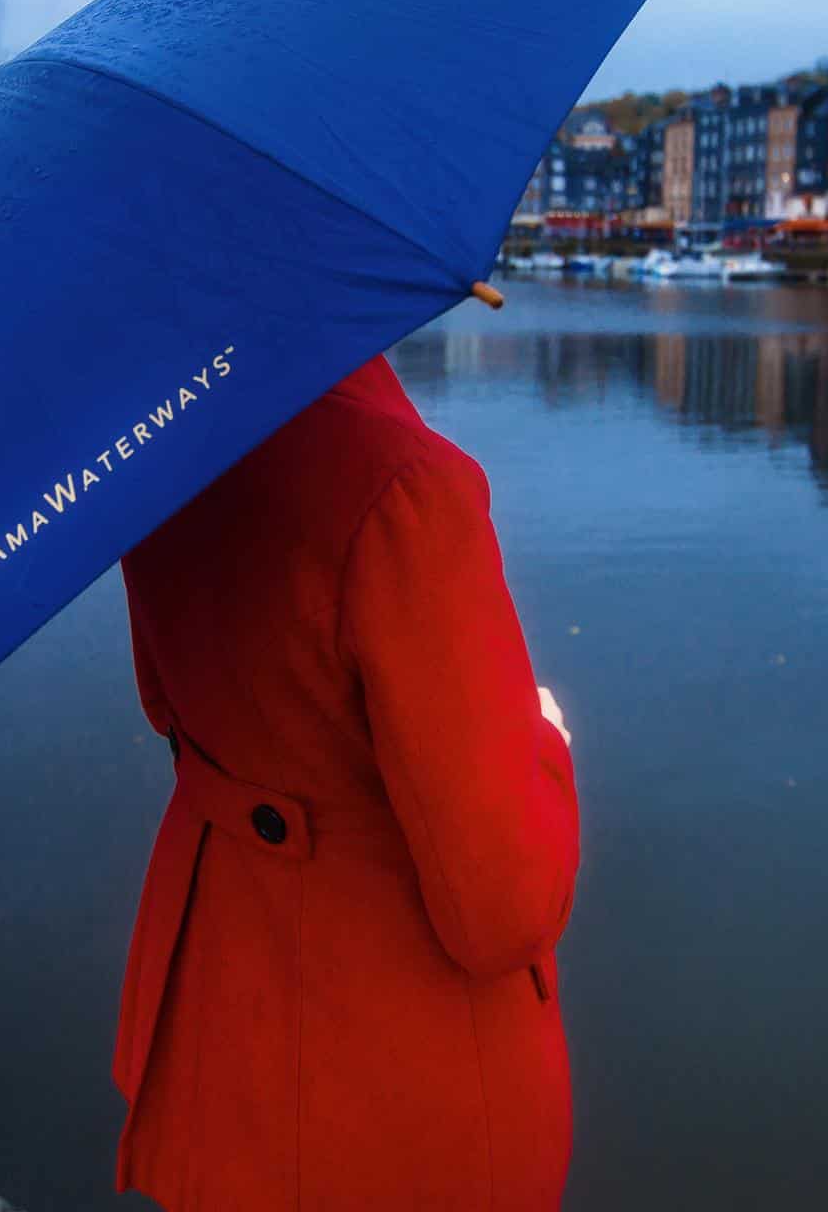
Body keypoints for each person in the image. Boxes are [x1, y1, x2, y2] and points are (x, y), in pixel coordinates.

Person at [115, 352, 579, 1210]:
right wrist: (544, 739)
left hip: (222, 1001)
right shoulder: (403, 489)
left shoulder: (156, 443)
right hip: (387, 1075)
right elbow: (502, 909)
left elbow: (163, 702)